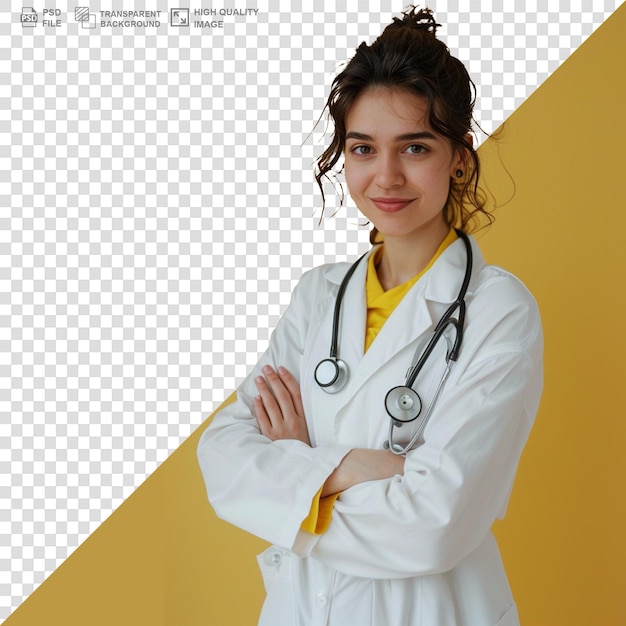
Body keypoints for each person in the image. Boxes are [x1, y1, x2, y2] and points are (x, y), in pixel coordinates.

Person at [197, 7, 543, 626]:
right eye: (364, 148)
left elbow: (433, 527)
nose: (386, 176)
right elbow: (222, 458)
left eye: (415, 147)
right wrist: (365, 467)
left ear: (460, 157)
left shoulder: (498, 310)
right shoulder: (317, 296)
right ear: (344, 156)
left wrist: (297, 465)